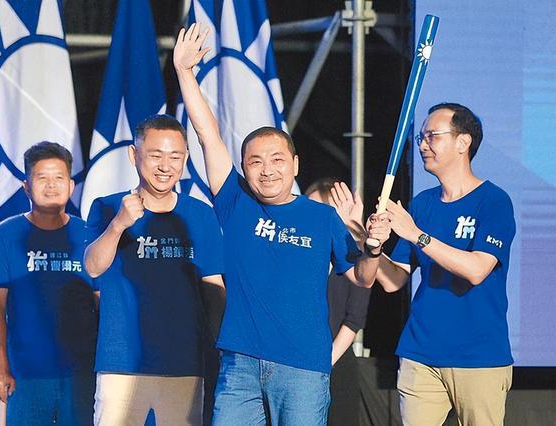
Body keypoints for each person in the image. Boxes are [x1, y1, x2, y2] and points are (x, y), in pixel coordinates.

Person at [174, 23, 391, 425]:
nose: (267, 170)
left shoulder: (322, 216)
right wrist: (185, 72)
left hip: (304, 369)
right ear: (243, 169)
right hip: (240, 365)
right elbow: (207, 134)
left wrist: (373, 248)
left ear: (295, 164)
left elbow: (362, 278)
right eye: (255, 162)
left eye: (277, 160)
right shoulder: (236, 202)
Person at [376, 103, 516, 425]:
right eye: (421, 138)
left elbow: (476, 270)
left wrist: (417, 235)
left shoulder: (494, 201)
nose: (423, 145)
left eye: (432, 136)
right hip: (421, 352)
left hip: (479, 356)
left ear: (463, 142)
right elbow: (394, 279)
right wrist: (369, 243)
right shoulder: (422, 204)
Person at [83, 114, 225, 425]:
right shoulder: (107, 207)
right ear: (134, 155)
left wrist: (222, 350)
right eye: (155, 155)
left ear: (185, 158)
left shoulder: (201, 215)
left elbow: (214, 288)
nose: (165, 166)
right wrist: (119, 224)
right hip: (121, 363)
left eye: (175, 156)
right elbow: (92, 267)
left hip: (184, 362)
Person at [0, 142, 97, 425]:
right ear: (26, 187)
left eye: (59, 178)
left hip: (81, 374)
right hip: (25, 375)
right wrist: (1, 369)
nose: (51, 185)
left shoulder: (90, 235)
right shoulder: (5, 235)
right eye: (42, 177)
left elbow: (102, 303)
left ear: (71, 186)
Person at [305, 179, 372, 426]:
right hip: (294, 362)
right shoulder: (296, 252)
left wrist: (325, 363)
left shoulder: (353, 257)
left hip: (336, 363)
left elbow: (354, 319)